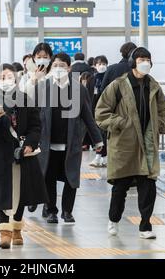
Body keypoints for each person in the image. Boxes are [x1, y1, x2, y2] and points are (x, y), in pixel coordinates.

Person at [95, 47, 165, 239]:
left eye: (147, 59)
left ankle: (145, 226)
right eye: (141, 59)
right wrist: (121, 123)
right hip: (124, 144)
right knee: (120, 187)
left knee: (148, 186)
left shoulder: (153, 86)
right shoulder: (118, 85)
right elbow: (101, 112)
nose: (145, 62)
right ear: (132, 62)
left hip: (148, 143)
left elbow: (163, 109)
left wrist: (160, 124)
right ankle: (113, 219)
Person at [0, 64, 48, 249]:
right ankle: (5, 232)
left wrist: (30, 144)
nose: (6, 81)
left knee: (20, 191)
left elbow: (35, 126)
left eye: (10, 77)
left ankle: (16, 228)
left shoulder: (25, 99)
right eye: (2, 77)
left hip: (22, 152)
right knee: (1, 191)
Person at [39, 53, 103, 223]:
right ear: (51, 68)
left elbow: (88, 116)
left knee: (71, 178)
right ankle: (51, 210)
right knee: (49, 178)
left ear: (69, 68)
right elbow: (34, 116)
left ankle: (67, 211)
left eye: (62, 65)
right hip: (48, 143)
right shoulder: (43, 87)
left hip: (71, 142)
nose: (58, 68)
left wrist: (97, 139)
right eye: (55, 65)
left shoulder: (78, 90)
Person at [89, 55, 109, 168]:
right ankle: (102, 157)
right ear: (95, 65)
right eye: (99, 64)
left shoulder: (108, 77)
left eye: (104, 64)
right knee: (99, 134)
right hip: (94, 110)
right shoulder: (93, 78)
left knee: (102, 134)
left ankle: (100, 157)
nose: (102, 66)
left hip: (105, 109)